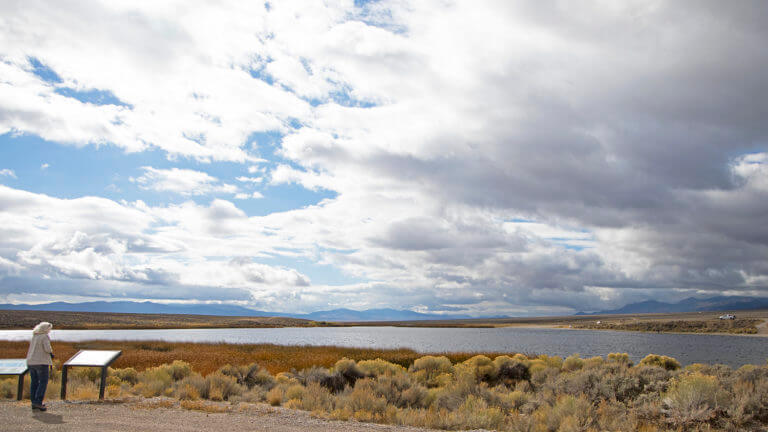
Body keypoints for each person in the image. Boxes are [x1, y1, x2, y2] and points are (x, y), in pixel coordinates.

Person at [26, 321, 54, 411]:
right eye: (49, 329)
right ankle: (38, 402)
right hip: (41, 362)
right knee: (43, 382)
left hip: (31, 362)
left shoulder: (35, 336)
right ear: (45, 329)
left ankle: (34, 402)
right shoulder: (44, 336)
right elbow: (47, 349)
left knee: (34, 382)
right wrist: (51, 353)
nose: (49, 331)